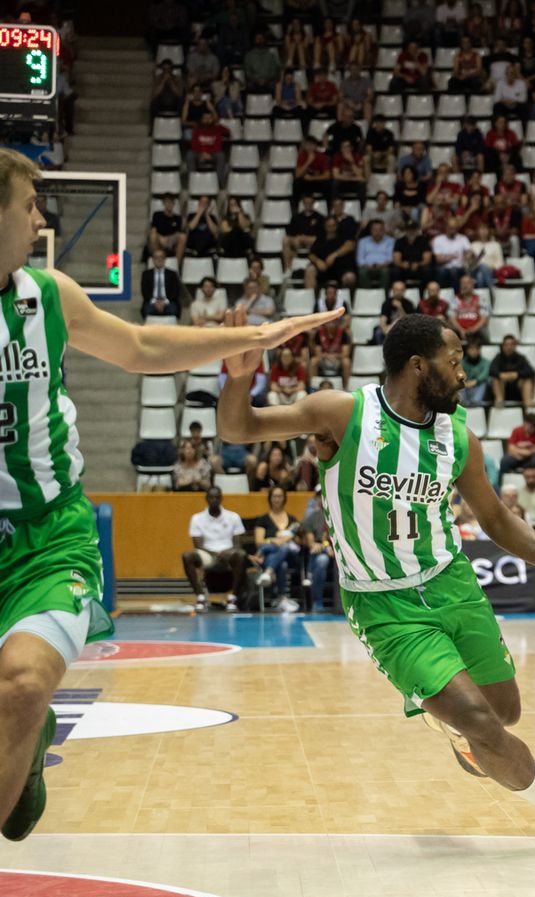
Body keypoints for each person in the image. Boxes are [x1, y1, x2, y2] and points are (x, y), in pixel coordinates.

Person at [0, 147, 342, 843]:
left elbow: (140, 347)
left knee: (24, 682)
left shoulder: (48, 294)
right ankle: (24, 741)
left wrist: (251, 335)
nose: (41, 222)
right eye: (29, 206)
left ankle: (25, 724)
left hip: (48, 532)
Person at [216, 310, 535, 857]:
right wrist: (239, 379)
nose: (464, 375)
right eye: (454, 363)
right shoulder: (342, 413)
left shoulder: (458, 437)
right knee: (479, 721)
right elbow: (239, 429)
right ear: (417, 366)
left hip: (451, 581)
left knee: (503, 713)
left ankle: (463, 731)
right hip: (384, 605)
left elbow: (496, 518)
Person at [182, 485, 251, 612]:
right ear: (206, 499)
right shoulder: (197, 518)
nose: (214, 500)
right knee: (187, 556)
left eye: (217, 497)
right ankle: (200, 597)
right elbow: (198, 545)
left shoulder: (233, 517)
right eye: (211, 497)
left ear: (221, 499)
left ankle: (233, 598)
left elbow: (238, 544)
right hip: (207, 554)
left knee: (241, 554)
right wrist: (216, 553)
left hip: (228, 554)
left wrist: (227, 552)